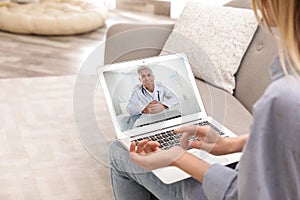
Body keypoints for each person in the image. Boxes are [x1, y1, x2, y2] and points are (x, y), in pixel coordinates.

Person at [109, 0, 300, 199]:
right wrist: (231, 145)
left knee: (118, 151)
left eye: (150, 75)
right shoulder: (287, 93)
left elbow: (239, 195)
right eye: (144, 77)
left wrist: (177, 156)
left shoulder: (282, 98)